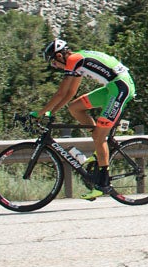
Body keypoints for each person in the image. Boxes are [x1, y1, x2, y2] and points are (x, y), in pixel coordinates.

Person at [35, 38, 135, 200]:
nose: (55, 67)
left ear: (60, 56)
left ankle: (103, 185)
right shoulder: (77, 61)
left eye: (54, 63)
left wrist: (39, 113)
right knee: (75, 107)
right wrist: (51, 112)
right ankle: (98, 151)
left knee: (99, 137)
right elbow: (69, 94)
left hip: (120, 88)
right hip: (112, 87)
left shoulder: (74, 60)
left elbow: (61, 93)